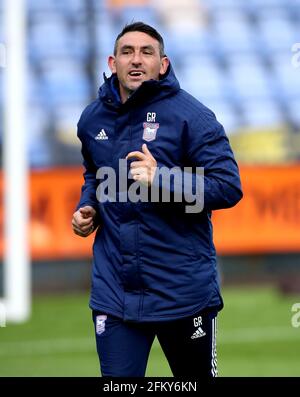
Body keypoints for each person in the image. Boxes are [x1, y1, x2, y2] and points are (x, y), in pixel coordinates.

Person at [72, 22, 243, 377]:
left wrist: (161, 178)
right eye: (127, 52)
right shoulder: (92, 119)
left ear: (162, 64)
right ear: (112, 61)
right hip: (115, 293)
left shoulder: (192, 116)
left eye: (147, 52)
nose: (136, 60)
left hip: (182, 293)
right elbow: (94, 172)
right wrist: (87, 206)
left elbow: (228, 187)